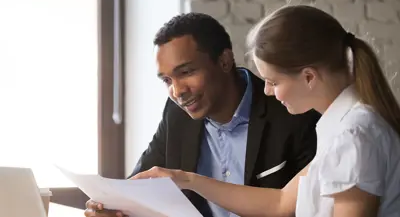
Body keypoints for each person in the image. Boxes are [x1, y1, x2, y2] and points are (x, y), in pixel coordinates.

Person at [133, 5, 400, 217]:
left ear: (308, 77)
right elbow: (280, 202)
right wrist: (186, 179)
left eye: (273, 82)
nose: (267, 91)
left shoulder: (353, 136)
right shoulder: (343, 128)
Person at [84, 13, 320, 217]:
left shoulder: (293, 111)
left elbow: (307, 208)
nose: (177, 92)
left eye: (186, 72)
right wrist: (112, 207)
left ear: (225, 61)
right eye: (167, 80)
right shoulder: (176, 114)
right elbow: (139, 185)